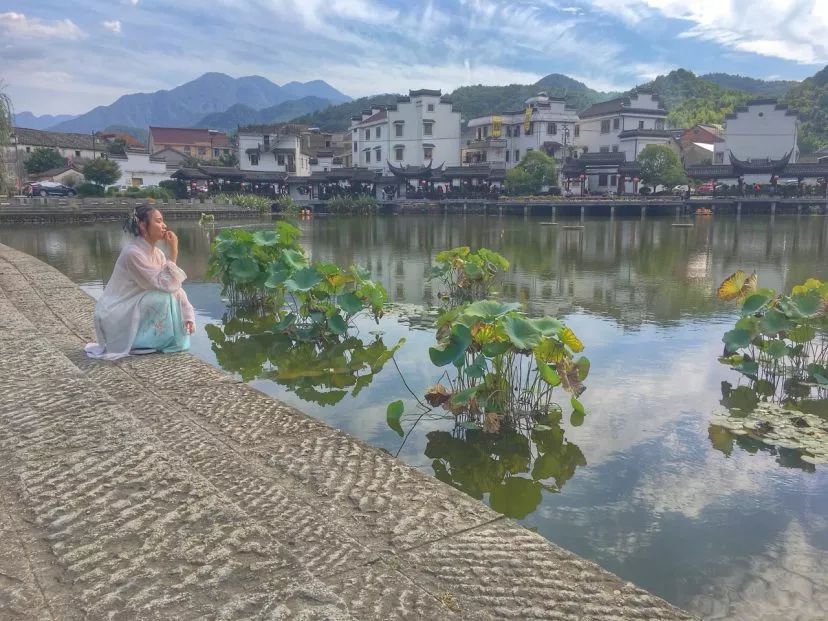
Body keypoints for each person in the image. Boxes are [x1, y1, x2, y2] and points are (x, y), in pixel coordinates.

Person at [85, 204, 195, 360]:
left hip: (136, 302)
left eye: (163, 221)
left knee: (169, 296)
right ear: (143, 225)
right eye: (158, 221)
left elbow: (174, 286)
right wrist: (174, 251)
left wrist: (188, 314)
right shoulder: (133, 253)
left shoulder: (157, 254)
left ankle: (160, 341)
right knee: (165, 298)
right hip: (119, 308)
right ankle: (141, 342)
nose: (164, 225)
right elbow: (165, 285)